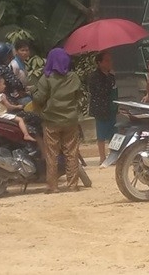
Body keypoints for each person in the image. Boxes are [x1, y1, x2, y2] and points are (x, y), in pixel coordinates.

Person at [33, 48, 85, 193]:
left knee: (52, 154)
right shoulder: (74, 77)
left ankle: (53, 186)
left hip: (51, 121)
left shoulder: (46, 78)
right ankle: (72, 185)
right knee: (72, 152)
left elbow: (39, 98)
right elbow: (79, 96)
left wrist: (33, 93)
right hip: (70, 120)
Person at [0, 74, 37, 142]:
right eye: (3, 84)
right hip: (1, 116)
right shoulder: (1, 96)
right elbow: (9, 107)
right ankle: (26, 135)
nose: (5, 86)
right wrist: (18, 107)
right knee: (20, 119)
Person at [88, 51, 117, 165]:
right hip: (100, 108)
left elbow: (115, 91)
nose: (110, 63)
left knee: (113, 133)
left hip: (111, 107)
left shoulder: (111, 76)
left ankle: (113, 155)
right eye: (106, 60)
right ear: (99, 63)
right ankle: (102, 157)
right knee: (101, 134)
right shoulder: (94, 76)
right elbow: (98, 91)